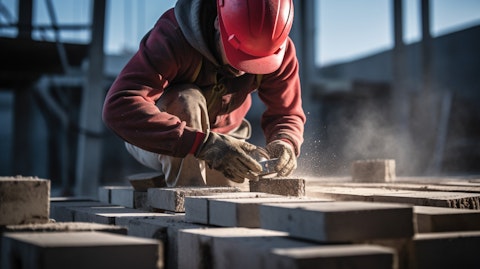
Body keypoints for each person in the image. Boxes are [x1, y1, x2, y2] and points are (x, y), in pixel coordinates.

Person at [102, 0, 306, 188]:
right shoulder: (172, 37)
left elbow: (286, 113)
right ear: (218, 22)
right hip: (161, 141)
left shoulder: (278, 51)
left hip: (228, 141)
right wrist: (201, 143)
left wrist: (285, 141)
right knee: (186, 98)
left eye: (257, 60)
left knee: (227, 196)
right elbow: (118, 106)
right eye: (240, 53)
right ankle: (186, 202)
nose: (245, 68)